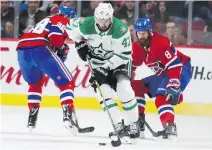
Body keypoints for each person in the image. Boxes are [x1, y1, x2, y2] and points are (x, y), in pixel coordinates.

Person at [66, 2, 140, 140]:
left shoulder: (121, 29)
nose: (103, 24)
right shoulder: (85, 24)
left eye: (106, 20)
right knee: (103, 94)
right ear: (95, 17)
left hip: (119, 62)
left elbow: (124, 55)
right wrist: (78, 42)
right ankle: (118, 125)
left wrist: (105, 68)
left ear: (111, 17)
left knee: (124, 89)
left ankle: (133, 123)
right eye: (100, 20)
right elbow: (69, 26)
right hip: (97, 63)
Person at [16, 6, 78, 134]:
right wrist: (61, 46)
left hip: (22, 49)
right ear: (68, 17)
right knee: (67, 82)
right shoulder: (62, 20)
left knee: (35, 83)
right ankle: (68, 113)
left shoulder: (46, 20)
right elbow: (56, 38)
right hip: (40, 47)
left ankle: (32, 117)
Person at [131, 18, 191, 139]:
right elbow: (132, 66)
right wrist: (120, 77)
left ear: (149, 32)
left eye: (143, 33)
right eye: (138, 33)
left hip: (181, 68)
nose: (141, 36)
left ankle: (170, 126)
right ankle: (139, 121)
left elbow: (175, 65)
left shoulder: (160, 43)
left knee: (161, 98)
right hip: (164, 74)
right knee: (136, 87)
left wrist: (174, 84)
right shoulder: (137, 47)